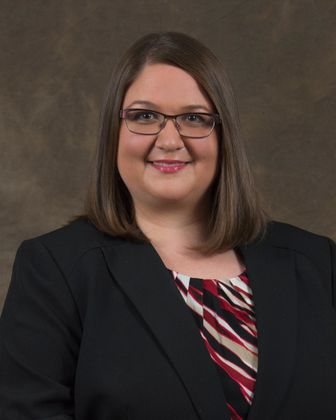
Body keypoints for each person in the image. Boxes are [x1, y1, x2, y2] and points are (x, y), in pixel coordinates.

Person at [0, 31, 335, 420]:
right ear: (114, 131)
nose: (170, 139)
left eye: (194, 118)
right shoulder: (55, 270)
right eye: (145, 116)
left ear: (224, 135)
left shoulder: (317, 263)